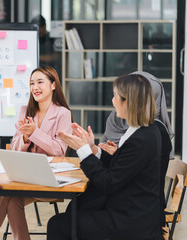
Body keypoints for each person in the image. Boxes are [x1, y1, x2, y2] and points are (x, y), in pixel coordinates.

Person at [48, 74, 163, 240]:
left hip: (130, 220)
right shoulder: (144, 131)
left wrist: (83, 150)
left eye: (115, 96)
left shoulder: (141, 139)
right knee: (76, 207)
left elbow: (108, 183)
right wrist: (93, 148)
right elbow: (123, 168)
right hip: (132, 210)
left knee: (58, 224)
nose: (112, 101)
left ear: (128, 102)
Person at [0, 66, 72, 240]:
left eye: (40, 82)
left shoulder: (63, 114)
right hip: (25, 175)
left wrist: (34, 133)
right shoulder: (25, 111)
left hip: (49, 179)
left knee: (10, 193)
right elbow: (14, 147)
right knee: (12, 197)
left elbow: (60, 151)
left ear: (53, 85)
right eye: (31, 83)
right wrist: (24, 137)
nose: (35, 87)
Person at [99, 71, 173, 229]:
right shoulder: (128, 123)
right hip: (128, 200)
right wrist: (115, 154)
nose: (113, 102)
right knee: (79, 208)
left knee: (72, 217)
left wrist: (88, 151)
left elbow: (124, 177)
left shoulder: (151, 132)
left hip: (137, 211)